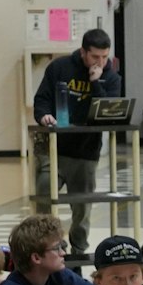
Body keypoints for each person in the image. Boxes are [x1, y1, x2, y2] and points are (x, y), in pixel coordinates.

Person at [32, 27, 124, 255]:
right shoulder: (59, 68)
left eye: (105, 57)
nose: (100, 62)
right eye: (95, 56)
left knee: (82, 207)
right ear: (83, 52)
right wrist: (43, 115)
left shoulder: (111, 77)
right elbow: (42, 99)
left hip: (86, 151)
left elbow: (108, 112)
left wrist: (96, 83)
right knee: (44, 194)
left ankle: (79, 249)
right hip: (53, 147)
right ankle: (47, 245)